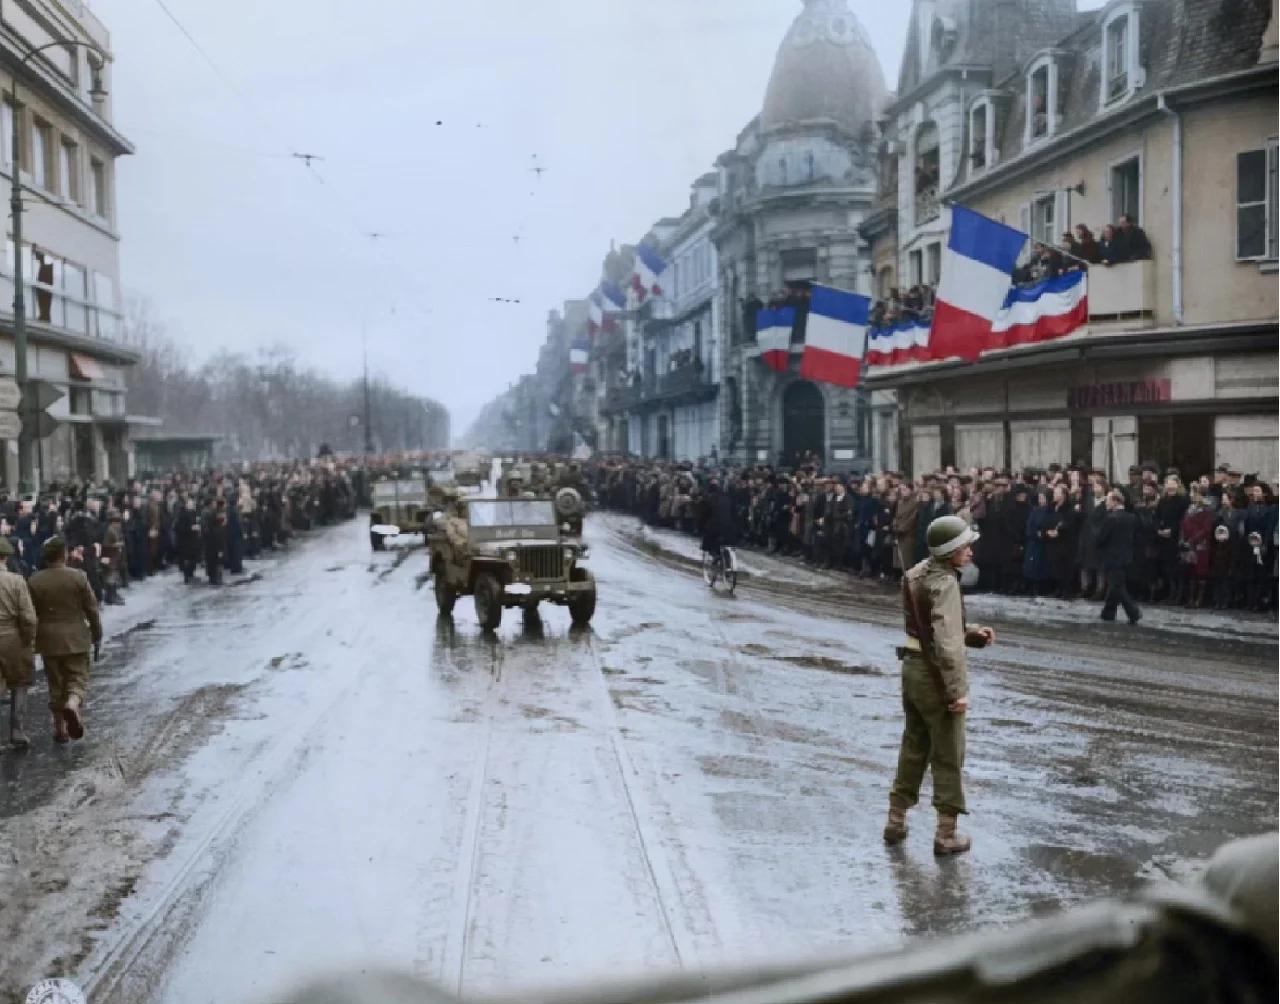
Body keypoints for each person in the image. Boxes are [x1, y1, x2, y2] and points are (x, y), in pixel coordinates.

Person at [885, 515, 995, 856]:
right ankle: (946, 834)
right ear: (950, 551)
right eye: (966, 546)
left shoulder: (916, 573)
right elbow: (947, 646)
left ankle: (896, 819)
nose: (971, 552)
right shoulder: (945, 582)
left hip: (913, 669)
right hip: (935, 676)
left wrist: (970, 634)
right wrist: (957, 691)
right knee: (948, 754)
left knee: (913, 746)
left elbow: (929, 627)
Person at [28, 536, 102, 743]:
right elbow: (92, 609)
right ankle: (72, 703)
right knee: (77, 679)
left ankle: (59, 729)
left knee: (55, 683)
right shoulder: (78, 577)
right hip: (76, 638)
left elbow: (30, 614)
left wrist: (31, 641)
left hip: (49, 640)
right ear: (64, 554)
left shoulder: (34, 580)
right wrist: (97, 634)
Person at [0, 537, 37, 749]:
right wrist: (27, 638)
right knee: (20, 682)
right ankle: (17, 731)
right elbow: (29, 617)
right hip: (13, 637)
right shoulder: (16, 581)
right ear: (5, 557)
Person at [1098, 490, 1141, 625]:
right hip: (1126, 556)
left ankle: (1133, 611)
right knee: (1116, 585)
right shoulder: (1132, 517)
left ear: (1116, 501)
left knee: (1117, 587)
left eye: (1108, 500)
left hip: (1112, 557)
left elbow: (1101, 538)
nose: (1106, 503)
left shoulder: (1111, 518)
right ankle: (1108, 612)